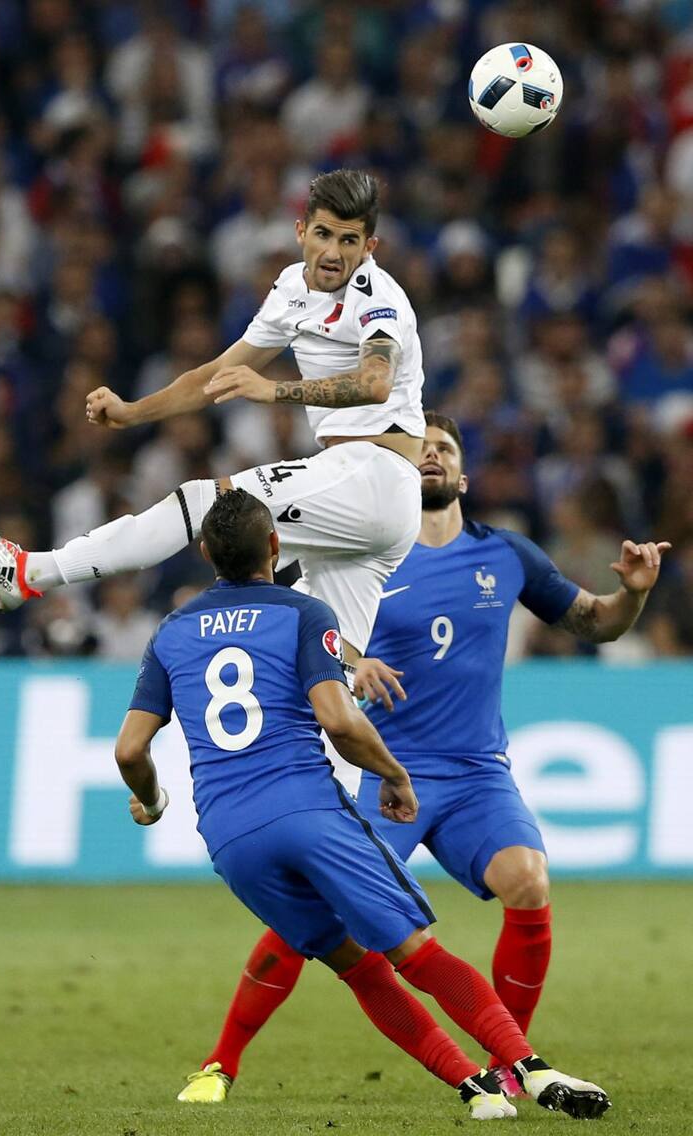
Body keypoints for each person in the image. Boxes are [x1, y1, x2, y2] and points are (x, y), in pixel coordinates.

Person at [177, 413, 668, 1105]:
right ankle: (220, 1061)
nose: (432, 455)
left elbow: (596, 622)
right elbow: (294, 624)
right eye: (420, 449)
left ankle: (508, 1067)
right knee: (310, 922)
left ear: (463, 475)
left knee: (528, 880)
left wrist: (634, 593)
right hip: (385, 773)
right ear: (398, 474)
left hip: (477, 775)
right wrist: (353, 660)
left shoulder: (508, 555)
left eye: (446, 449)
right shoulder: (362, 555)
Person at [115, 488, 611, 1121]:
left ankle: (474, 1089)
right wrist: (394, 775)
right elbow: (340, 722)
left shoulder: (172, 630)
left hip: (230, 838)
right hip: (310, 813)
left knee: (358, 969)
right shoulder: (304, 614)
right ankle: (529, 1069)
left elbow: (130, 749)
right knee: (416, 953)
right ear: (275, 546)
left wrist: (152, 800)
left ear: (206, 553)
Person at [0, 168, 425, 661]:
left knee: (206, 502)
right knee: (330, 668)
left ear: (370, 246)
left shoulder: (376, 295)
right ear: (300, 230)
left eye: (349, 241)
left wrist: (274, 390)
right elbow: (213, 376)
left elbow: (376, 382)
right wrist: (134, 412)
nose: (333, 252)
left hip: (373, 474)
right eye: (324, 234)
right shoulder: (292, 289)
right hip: (363, 503)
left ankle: (31, 572)